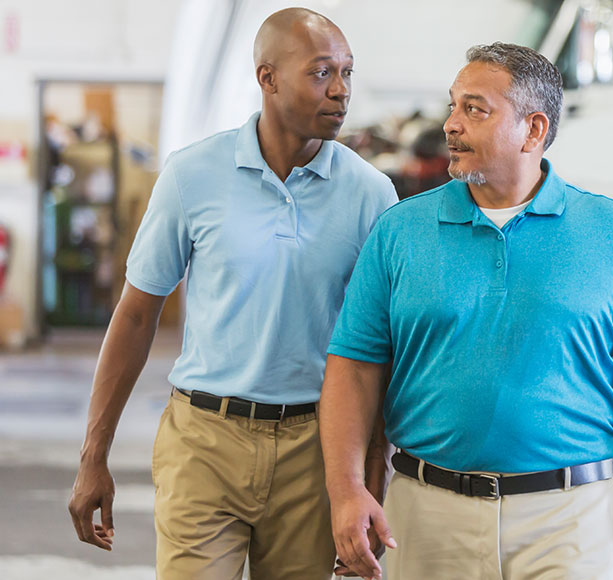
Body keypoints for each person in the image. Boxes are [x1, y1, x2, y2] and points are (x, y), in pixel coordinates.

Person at [320, 42, 613, 580]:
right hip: (428, 513)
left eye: (474, 109)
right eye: (453, 106)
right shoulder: (399, 232)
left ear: (532, 130)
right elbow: (354, 368)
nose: (451, 124)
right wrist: (347, 492)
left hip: (570, 516)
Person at [67, 8, 397, 580]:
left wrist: (371, 474)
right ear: (267, 78)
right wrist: (93, 454)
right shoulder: (193, 175)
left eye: (347, 72)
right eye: (322, 73)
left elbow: (382, 346)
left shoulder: (372, 194)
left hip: (314, 449)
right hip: (203, 441)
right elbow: (138, 314)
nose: (341, 90)